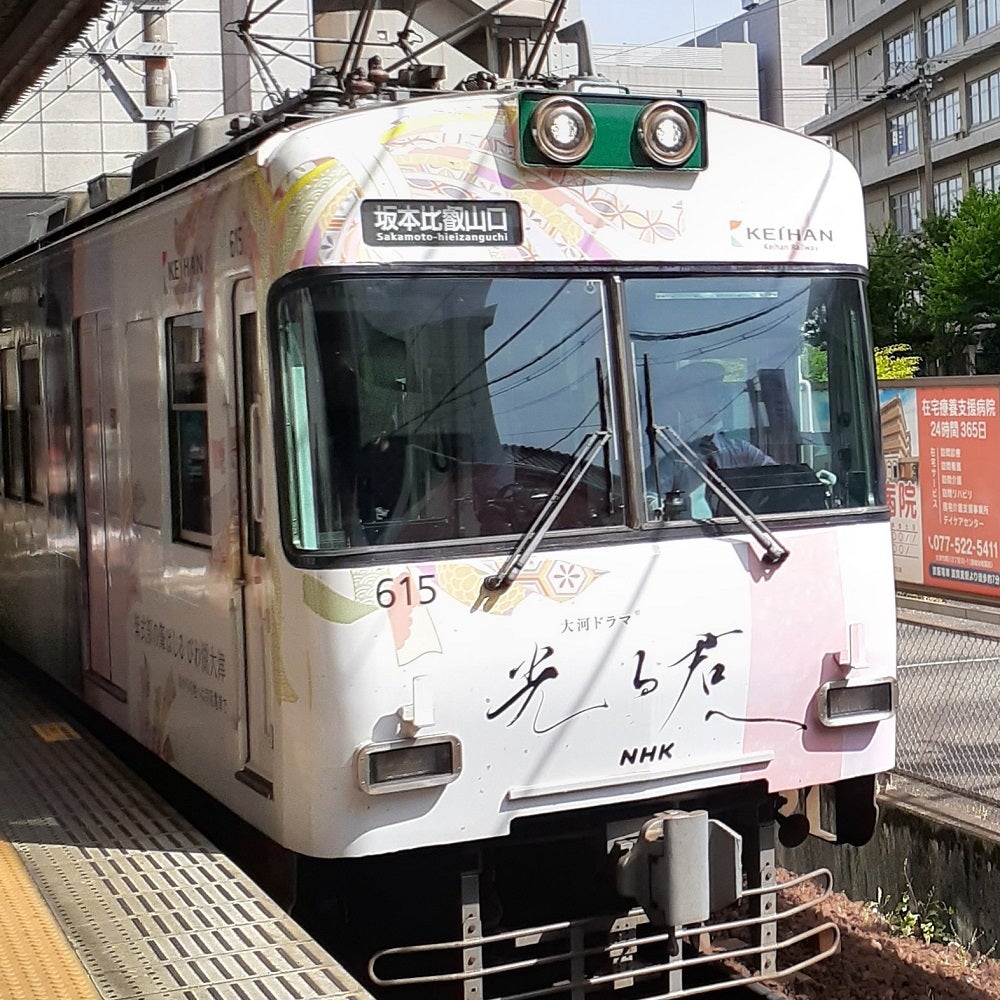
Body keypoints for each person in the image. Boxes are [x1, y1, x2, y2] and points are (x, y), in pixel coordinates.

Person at [649, 360, 774, 519]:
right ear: (682, 402)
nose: (719, 400)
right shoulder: (670, 458)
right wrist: (659, 506)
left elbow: (776, 478)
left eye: (720, 392)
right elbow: (650, 498)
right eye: (706, 393)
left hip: (743, 532)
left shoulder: (742, 451)